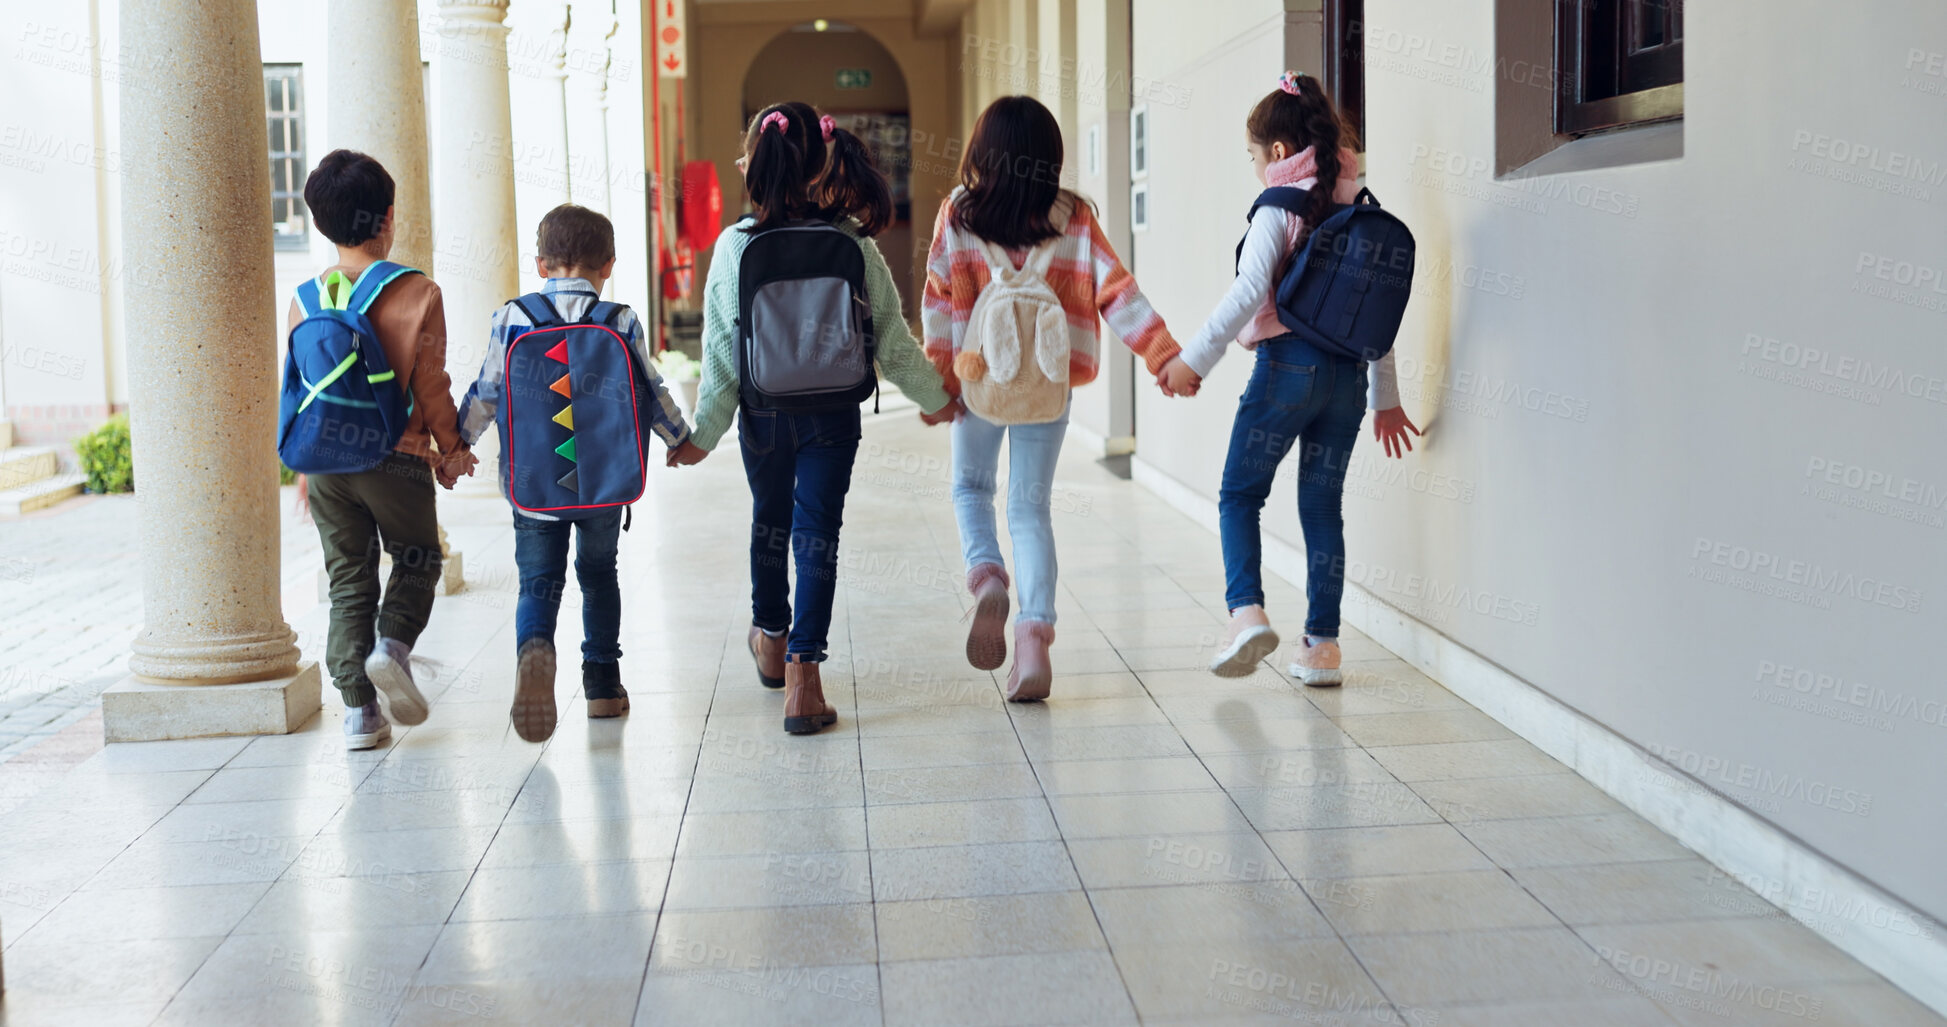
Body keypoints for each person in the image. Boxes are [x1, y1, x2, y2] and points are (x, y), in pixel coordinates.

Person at [677, 101, 955, 735]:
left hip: (764, 414)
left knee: (769, 523)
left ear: (754, 165)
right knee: (817, 536)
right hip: (833, 414)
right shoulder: (851, 240)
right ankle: (805, 676)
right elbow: (892, 338)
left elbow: (721, 358)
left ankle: (770, 638)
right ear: (821, 165)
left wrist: (702, 438)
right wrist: (938, 400)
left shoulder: (734, 247)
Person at [923, 95, 1194, 702]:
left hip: (979, 382)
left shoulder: (959, 215)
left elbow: (938, 299)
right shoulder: (1074, 218)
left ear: (980, 152)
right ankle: (1033, 637)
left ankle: (987, 574)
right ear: (1051, 157)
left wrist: (940, 379)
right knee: (1029, 508)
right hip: (1048, 389)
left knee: (971, 488)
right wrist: (1163, 355)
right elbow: (1117, 291)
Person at [1160, 72, 1420, 686]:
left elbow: (1250, 290)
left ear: (1278, 152)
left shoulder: (1280, 204)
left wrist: (1192, 359)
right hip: (1348, 381)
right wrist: (1386, 399)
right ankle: (1322, 648)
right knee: (1323, 508)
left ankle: (1246, 612)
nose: (1254, 167)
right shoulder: (1358, 204)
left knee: (1239, 494)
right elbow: (1375, 311)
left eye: (1254, 155)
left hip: (1286, 370)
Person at [455, 203, 701, 741]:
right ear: (608, 265)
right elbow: (652, 391)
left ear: (541, 262)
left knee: (538, 583)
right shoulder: (620, 320)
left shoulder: (514, 317)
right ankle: (604, 689)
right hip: (605, 486)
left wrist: (458, 444)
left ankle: (534, 652)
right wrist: (680, 440)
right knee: (598, 577)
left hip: (535, 486)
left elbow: (488, 391)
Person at [291, 149, 473, 751]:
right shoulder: (417, 291)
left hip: (326, 463)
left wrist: (301, 465)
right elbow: (431, 385)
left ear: (320, 221)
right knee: (418, 557)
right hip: (395, 455)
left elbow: (300, 387)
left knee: (348, 578)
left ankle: (359, 714)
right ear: (388, 217)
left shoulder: (304, 299)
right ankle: (391, 647)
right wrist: (451, 451)